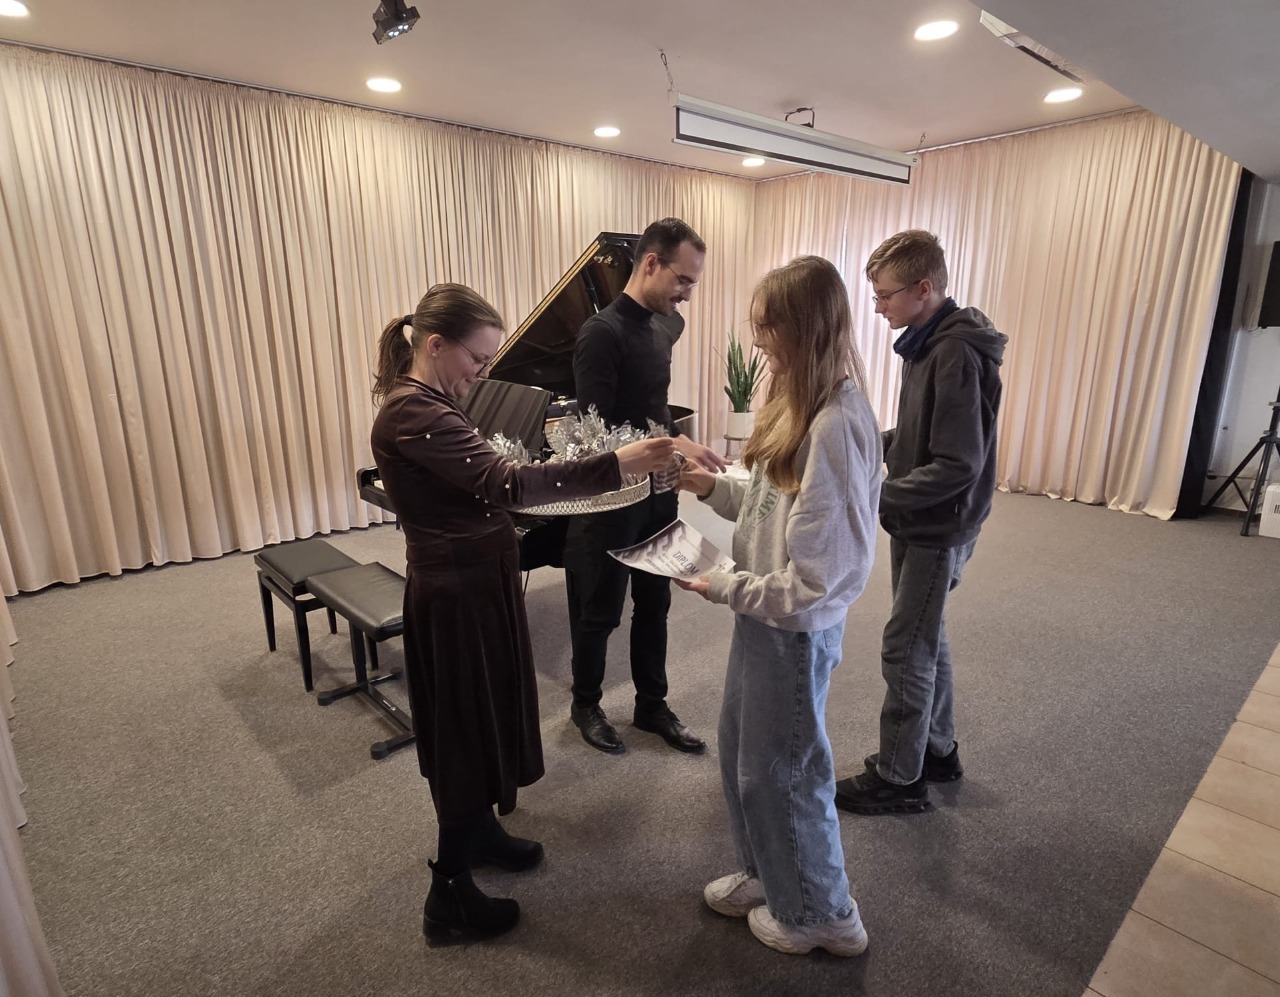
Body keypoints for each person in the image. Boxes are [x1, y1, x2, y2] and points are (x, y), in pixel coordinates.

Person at [369, 283, 677, 942]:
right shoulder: (413, 412)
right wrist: (614, 463)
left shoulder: (436, 402)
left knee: (486, 714)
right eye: (477, 358)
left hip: (478, 584)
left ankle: (479, 828)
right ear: (435, 345)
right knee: (464, 727)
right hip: (455, 597)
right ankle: (448, 893)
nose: (484, 372)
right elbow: (505, 484)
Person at [676, 255, 882, 957]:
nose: (759, 341)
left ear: (806, 327)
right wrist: (709, 486)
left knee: (785, 771)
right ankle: (772, 876)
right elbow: (769, 503)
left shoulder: (837, 423)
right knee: (745, 755)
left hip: (793, 629)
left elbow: (819, 582)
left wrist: (723, 583)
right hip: (762, 617)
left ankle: (825, 912)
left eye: (769, 328)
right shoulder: (799, 400)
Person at [834, 230, 1007, 816]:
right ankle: (936, 750)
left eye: (885, 295)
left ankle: (900, 776)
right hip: (920, 515)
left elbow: (959, 464)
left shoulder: (954, 353)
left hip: (937, 523)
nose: (878, 306)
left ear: (924, 288)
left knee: (904, 645)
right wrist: (866, 443)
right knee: (926, 638)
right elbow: (918, 436)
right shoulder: (928, 343)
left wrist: (873, 499)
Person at [563, 217, 727, 755]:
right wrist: (674, 443)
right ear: (651, 263)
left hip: (658, 491)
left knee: (655, 602)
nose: (687, 294)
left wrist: (679, 441)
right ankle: (585, 703)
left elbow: (652, 409)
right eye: (683, 280)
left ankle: (651, 705)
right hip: (611, 497)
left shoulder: (663, 327)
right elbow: (599, 432)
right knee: (600, 609)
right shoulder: (601, 333)